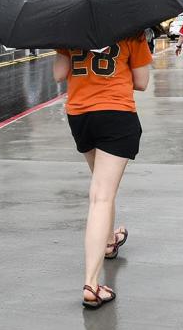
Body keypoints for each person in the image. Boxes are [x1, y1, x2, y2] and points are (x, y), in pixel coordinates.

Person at [53, 34, 152, 309]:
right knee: (101, 196)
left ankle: (109, 241)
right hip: (116, 113)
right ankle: (92, 284)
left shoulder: (73, 29)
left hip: (80, 115)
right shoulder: (132, 30)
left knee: (102, 185)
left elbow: (59, 74)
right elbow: (142, 82)